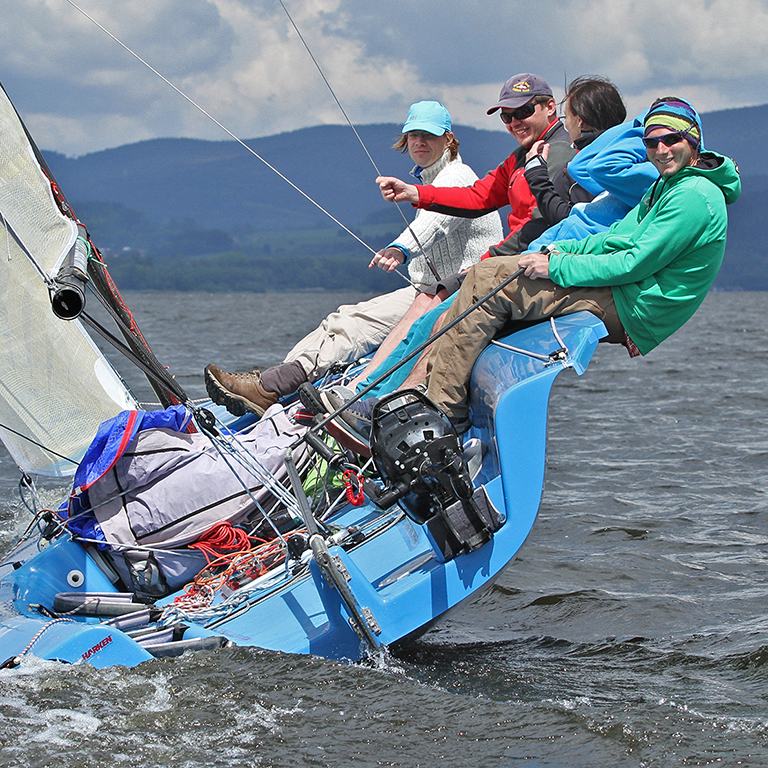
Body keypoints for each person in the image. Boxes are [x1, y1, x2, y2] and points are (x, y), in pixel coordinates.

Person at [421, 97, 741, 430]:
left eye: (670, 139)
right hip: (625, 289)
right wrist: (554, 249)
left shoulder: (694, 195)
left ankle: (441, 418)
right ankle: (436, 400)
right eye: (650, 142)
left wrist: (556, 267)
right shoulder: (668, 184)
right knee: (485, 274)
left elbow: (633, 263)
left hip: (634, 304)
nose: (660, 150)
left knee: (488, 286)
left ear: (693, 140)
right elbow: (614, 236)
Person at [204, 100, 503, 416]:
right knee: (342, 318)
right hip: (425, 290)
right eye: (413, 135)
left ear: (449, 139)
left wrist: (400, 249)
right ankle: (274, 383)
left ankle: (279, 389)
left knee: (354, 326)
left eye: (428, 135)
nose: (419, 142)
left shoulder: (457, 176)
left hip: (458, 293)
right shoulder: (429, 180)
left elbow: (435, 222)